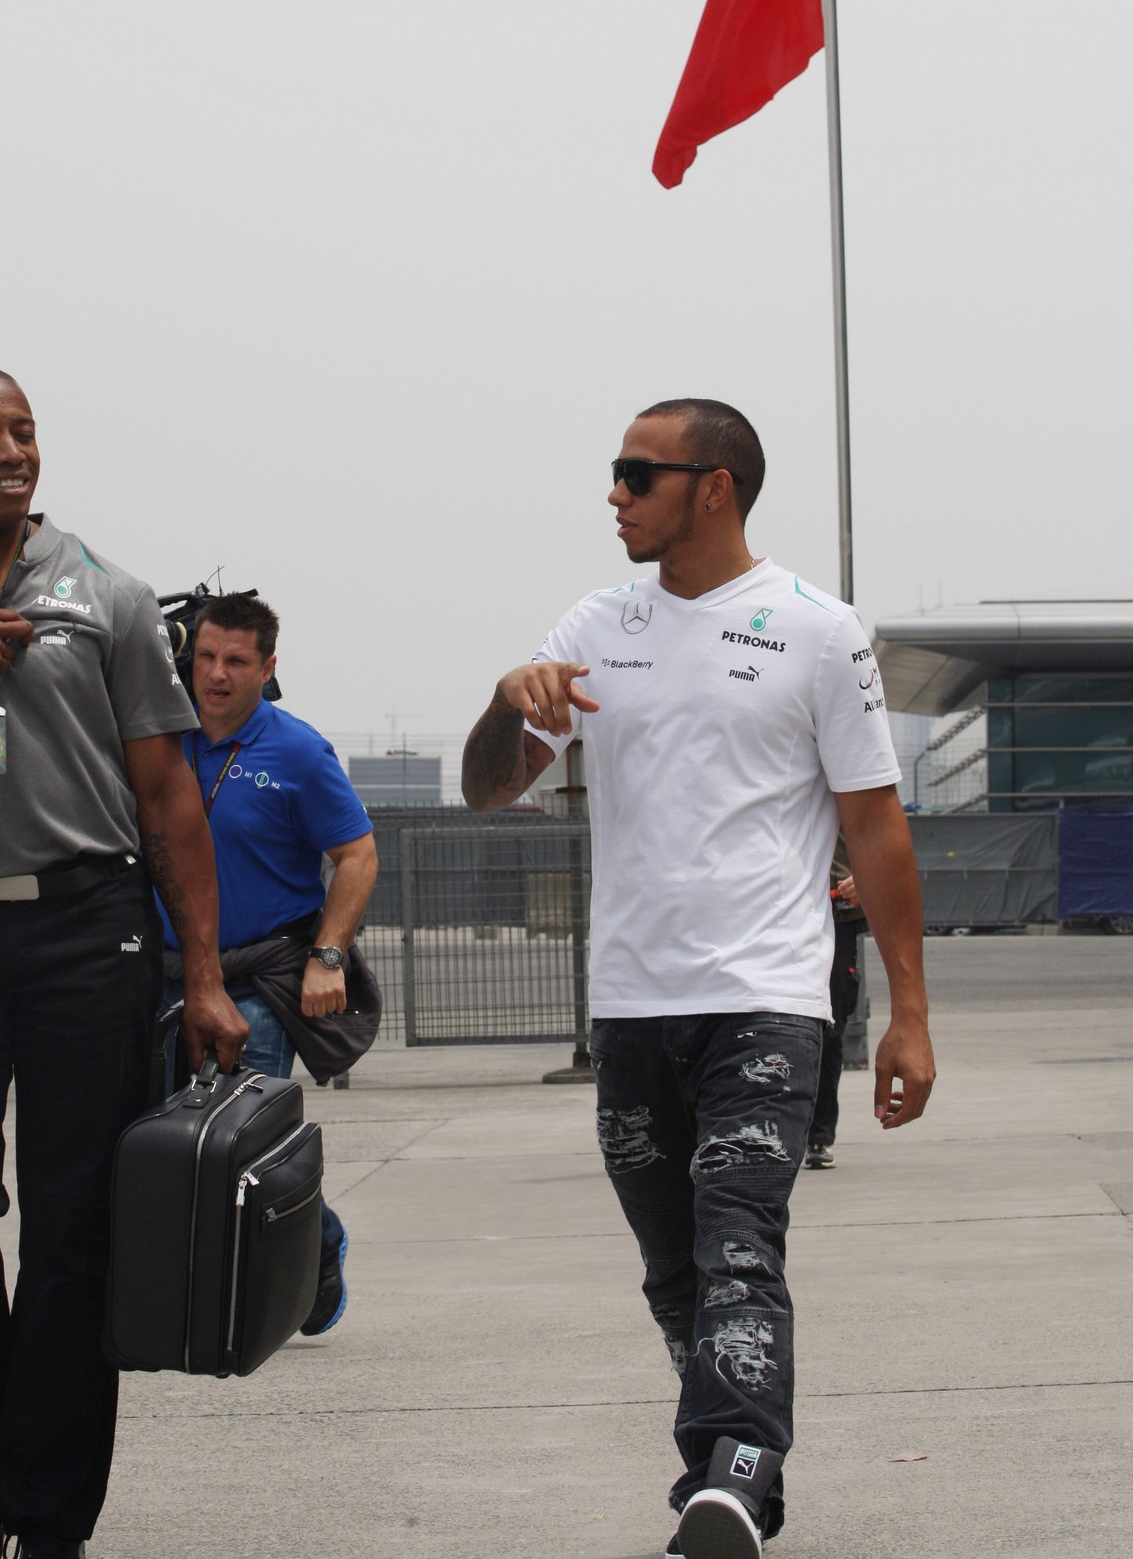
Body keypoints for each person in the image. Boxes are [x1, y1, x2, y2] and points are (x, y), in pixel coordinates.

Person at [462, 397, 935, 1559]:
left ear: (711, 487)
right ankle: (735, 1479)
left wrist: (909, 1016)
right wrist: (502, 702)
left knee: (736, 1241)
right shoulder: (594, 624)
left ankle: (724, 1475)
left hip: (767, 999)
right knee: (672, 1268)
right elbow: (489, 789)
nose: (613, 493)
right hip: (630, 1007)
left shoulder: (816, 631)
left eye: (637, 472)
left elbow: (874, 829)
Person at [0, 367, 246, 1559]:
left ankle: (42, 1512)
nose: (10, 450)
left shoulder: (110, 597)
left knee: (76, 1234)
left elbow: (169, 792)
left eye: (24, 430)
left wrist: (203, 975)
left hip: (91, 927)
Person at [159, 590, 378, 1337]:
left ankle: (310, 1252)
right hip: (162, 977)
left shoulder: (297, 751)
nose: (216, 675)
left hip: (256, 977)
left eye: (236, 662)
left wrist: (328, 956)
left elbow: (356, 857)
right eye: (206, 658)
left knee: (237, 1148)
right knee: (161, 1143)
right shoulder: (157, 739)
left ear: (267, 668)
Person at [804, 853, 868, 1170]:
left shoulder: (848, 801)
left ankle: (819, 1135)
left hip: (837, 914)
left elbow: (883, 836)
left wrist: (865, 874)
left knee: (830, 1029)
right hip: (774, 913)